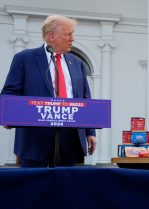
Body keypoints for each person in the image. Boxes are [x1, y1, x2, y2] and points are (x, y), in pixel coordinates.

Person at [1, 15, 97, 167]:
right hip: (35, 138)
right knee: (33, 188)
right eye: (68, 34)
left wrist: (90, 132)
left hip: (69, 137)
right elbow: (10, 92)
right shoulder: (24, 59)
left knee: (65, 187)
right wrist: (9, 115)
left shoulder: (77, 63)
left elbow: (85, 98)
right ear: (51, 36)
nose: (72, 38)